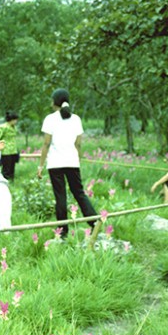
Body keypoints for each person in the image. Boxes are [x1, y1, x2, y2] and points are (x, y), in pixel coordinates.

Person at [37, 88, 97, 237]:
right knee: (79, 193)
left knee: (60, 196)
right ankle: (94, 222)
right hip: (72, 162)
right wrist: (78, 159)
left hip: (55, 163)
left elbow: (46, 144)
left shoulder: (50, 119)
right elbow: (78, 145)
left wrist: (40, 165)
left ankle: (63, 232)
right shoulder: (76, 119)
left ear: (54, 101)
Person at [0, 111, 19, 181]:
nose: (16, 121)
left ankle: (11, 181)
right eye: (15, 120)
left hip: (13, 150)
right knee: (6, 169)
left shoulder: (14, 127)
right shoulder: (3, 127)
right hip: (5, 151)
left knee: (12, 168)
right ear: (11, 119)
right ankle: (4, 182)